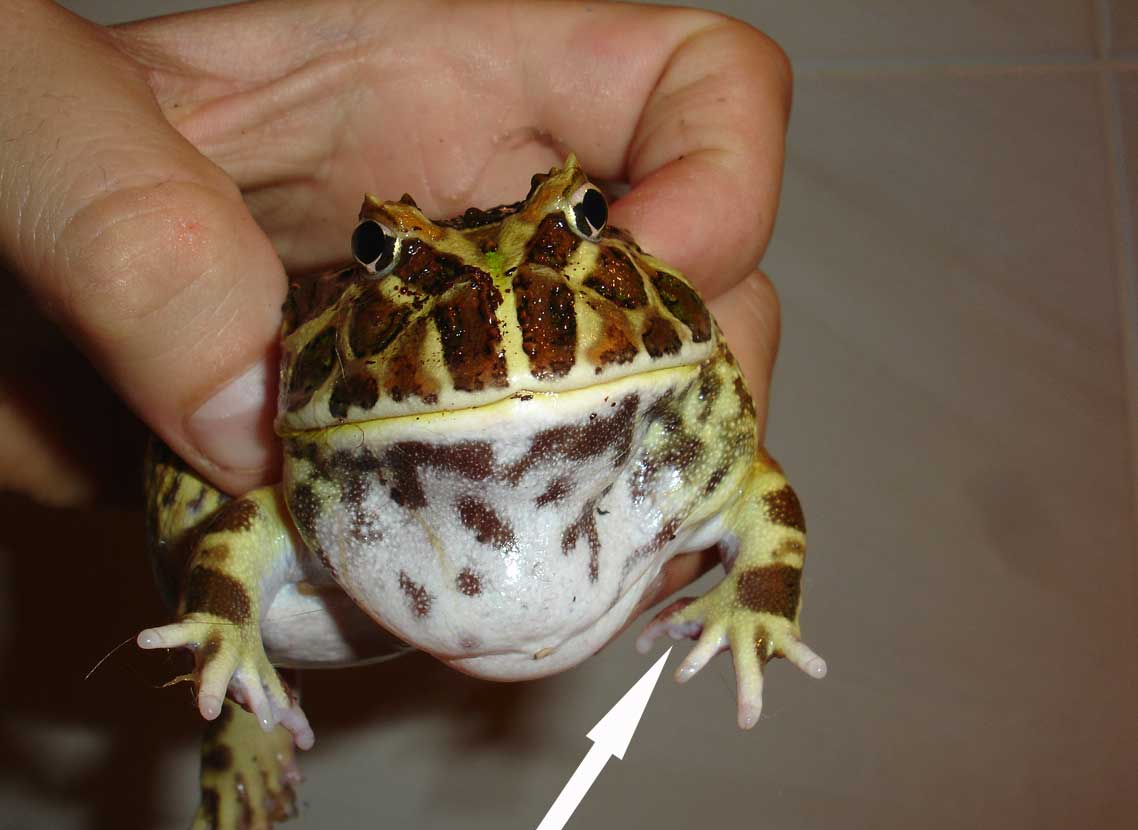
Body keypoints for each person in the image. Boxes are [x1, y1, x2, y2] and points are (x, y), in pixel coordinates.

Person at [0, 0, 792, 608]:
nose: (502, 312)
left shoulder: (667, 403)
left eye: (585, 218)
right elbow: (240, 545)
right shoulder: (292, 424)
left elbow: (758, 497)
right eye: (380, 252)